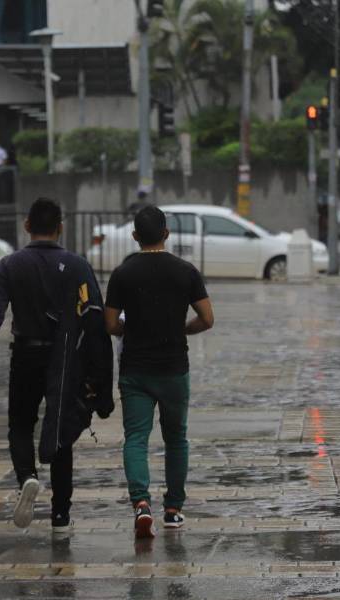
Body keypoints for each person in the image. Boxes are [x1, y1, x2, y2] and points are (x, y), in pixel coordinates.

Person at [0, 198, 114, 533]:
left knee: (20, 424)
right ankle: (60, 513)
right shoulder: (77, 265)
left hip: (26, 354)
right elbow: (94, 320)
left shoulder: (9, 265)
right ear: (60, 227)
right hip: (66, 360)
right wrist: (99, 376)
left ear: (27, 226)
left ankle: (27, 478)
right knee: (61, 428)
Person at [104, 205, 214, 538]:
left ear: (135, 236)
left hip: (135, 370)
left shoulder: (123, 274)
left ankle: (140, 504)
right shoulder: (186, 271)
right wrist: (182, 330)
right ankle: (173, 510)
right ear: (166, 234)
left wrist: (132, 331)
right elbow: (207, 319)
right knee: (176, 438)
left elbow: (110, 323)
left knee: (136, 439)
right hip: (173, 370)